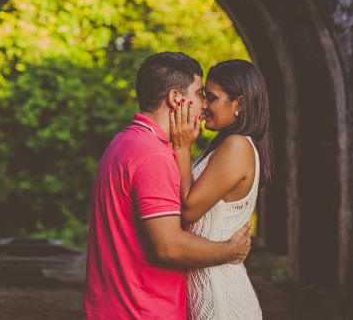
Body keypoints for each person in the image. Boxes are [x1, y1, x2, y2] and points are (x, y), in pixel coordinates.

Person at [84, 52, 252, 320]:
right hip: (143, 312)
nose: (204, 106)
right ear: (176, 98)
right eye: (200, 94)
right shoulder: (153, 155)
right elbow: (168, 246)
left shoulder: (123, 142)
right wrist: (230, 251)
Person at [169, 59, 275, 320]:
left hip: (221, 300)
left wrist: (182, 148)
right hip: (208, 292)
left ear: (239, 104)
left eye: (212, 98)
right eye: (204, 95)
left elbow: (189, 210)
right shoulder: (223, 145)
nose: (203, 104)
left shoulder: (237, 146)